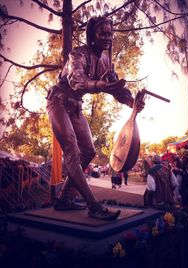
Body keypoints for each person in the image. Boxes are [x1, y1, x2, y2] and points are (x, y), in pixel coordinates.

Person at [46, 16, 145, 220]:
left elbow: (118, 90)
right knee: (72, 150)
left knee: (88, 151)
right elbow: (78, 81)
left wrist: (133, 103)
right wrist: (99, 86)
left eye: (110, 33)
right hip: (58, 102)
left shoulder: (106, 62)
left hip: (75, 107)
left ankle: (64, 198)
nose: (107, 37)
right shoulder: (78, 55)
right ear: (92, 36)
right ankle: (94, 206)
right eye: (103, 33)